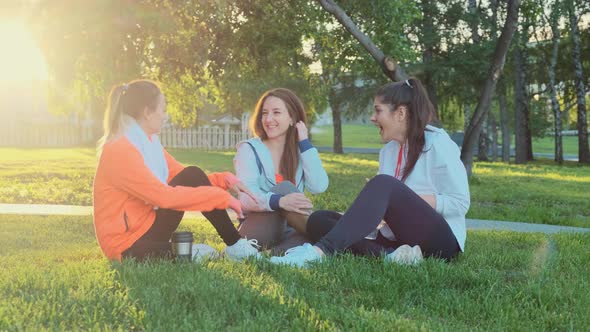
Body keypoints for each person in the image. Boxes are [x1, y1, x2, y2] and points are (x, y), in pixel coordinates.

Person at [269, 78, 470, 267]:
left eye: (378, 111)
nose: (373, 118)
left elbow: (460, 203)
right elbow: (384, 211)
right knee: (320, 219)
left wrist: (400, 199)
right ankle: (391, 257)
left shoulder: (438, 144)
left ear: (400, 113)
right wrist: (365, 211)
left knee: (383, 184)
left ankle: (317, 253)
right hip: (398, 238)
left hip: (441, 241)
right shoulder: (388, 152)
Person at [93, 79, 261, 262]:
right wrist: (221, 198)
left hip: (147, 226)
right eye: (162, 109)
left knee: (192, 173)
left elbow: (188, 178)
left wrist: (226, 181)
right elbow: (164, 197)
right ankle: (183, 252)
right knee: (191, 254)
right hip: (125, 245)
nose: (165, 116)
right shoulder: (120, 150)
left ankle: (235, 246)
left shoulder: (147, 143)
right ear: (148, 112)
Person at [233, 88, 329, 253]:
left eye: (276, 112)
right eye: (264, 113)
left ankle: (276, 253)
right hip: (256, 228)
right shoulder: (249, 149)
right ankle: (334, 237)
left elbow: (319, 186)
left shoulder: (300, 152)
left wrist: (305, 143)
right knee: (284, 189)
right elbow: (245, 198)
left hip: (289, 229)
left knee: (306, 239)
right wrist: (279, 201)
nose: (268, 119)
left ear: (292, 118)